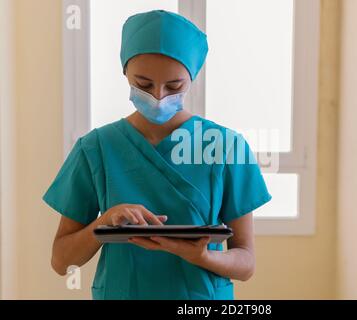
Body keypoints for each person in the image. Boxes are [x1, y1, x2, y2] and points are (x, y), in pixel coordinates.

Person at [42, 9, 271, 300]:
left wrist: (202, 256)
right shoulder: (96, 148)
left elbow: (246, 263)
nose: (159, 96)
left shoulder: (227, 148)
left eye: (174, 86)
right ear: (125, 72)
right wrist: (103, 223)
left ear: (192, 78)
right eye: (144, 84)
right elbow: (62, 261)